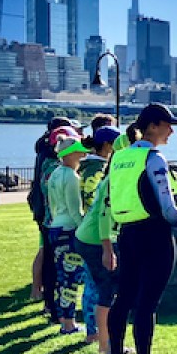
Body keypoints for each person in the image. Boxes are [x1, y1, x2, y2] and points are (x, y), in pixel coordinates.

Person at [106, 104, 177, 354]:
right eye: (168, 124)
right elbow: (167, 208)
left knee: (124, 297)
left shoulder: (119, 157)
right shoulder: (154, 158)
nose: (172, 130)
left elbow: (110, 198)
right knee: (147, 303)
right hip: (155, 235)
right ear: (153, 126)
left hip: (127, 233)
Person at [75, 127, 134, 354]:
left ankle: (106, 343)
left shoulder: (113, 174)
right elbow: (104, 214)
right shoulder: (115, 179)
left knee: (106, 291)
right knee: (106, 293)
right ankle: (105, 345)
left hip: (93, 237)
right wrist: (107, 249)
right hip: (94, 240)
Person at [29, 116, 83, 320]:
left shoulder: (51, 168)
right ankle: (62, 316)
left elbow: (50, 199)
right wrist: (82, 229)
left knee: (57, 269)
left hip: (52, 223)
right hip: (64, 226)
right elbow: (73, 207)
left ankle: (53, 308)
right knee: (66, 274)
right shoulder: (67, 174)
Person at [76, 126, 120, 342]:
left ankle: (97, 335)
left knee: (95, 286)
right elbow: (102, 210)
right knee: (103, 289)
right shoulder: (100, 172)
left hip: (87, 233)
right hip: (94, 237)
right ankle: (100, 338)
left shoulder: (91, 168)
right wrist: (107, 247)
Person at [47, 134, 91, 335]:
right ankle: (68, 323)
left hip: (56, 227)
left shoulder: (55, 174)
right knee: (71, 278)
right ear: (71, 154)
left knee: (62, 276)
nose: (83, 154)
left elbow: (54, 205)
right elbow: (75, 209)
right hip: (69, 230)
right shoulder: (71, 177)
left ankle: (63, 318)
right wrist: (85, 229)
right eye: (80, 151)